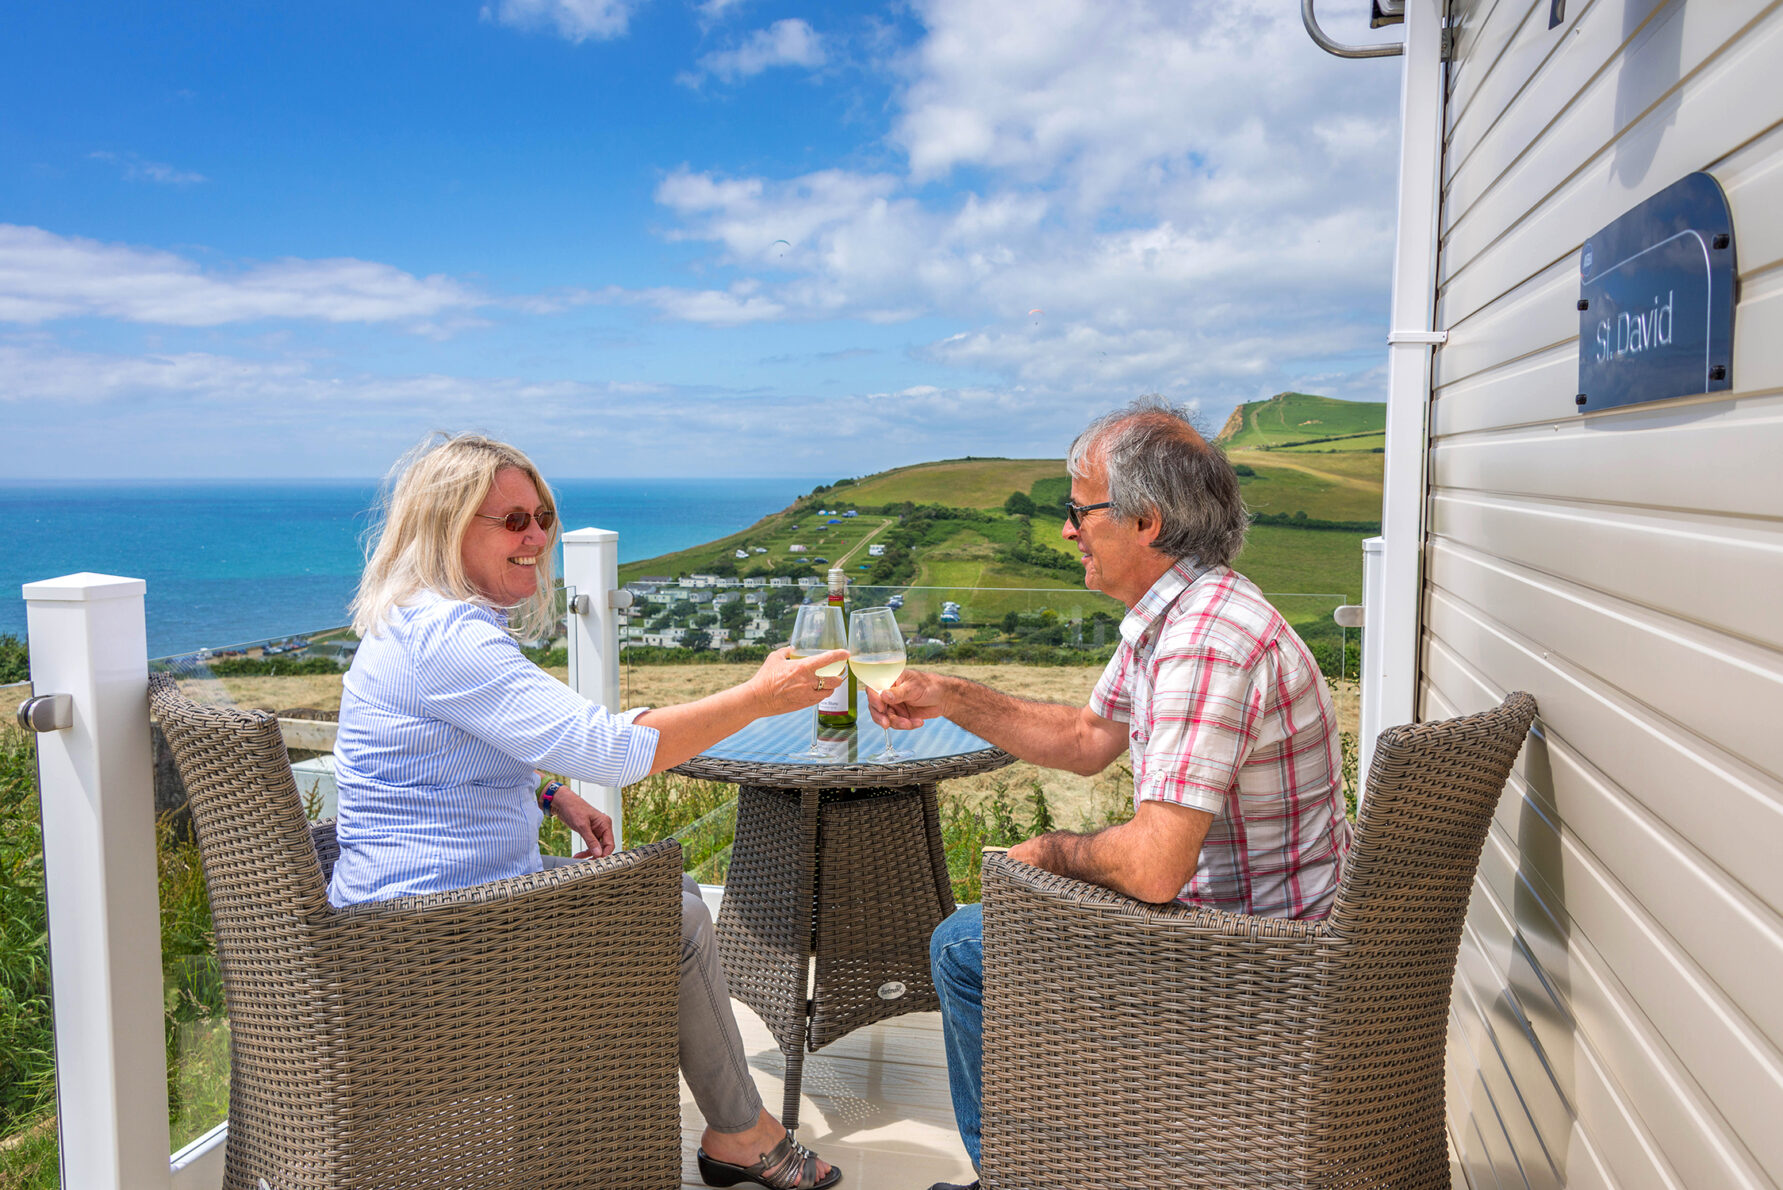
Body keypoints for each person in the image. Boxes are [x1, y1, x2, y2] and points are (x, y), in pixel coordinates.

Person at [327, 433, 844, 1190]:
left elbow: (439, 755)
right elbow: (609, 750)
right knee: (677, 915)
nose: (536, 537)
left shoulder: (417, 619)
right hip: (427, 935)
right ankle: (737, 1133)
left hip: (405, 903)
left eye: (540, 516)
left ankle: (710, 1126)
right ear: (445, 526)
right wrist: (757, 699)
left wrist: (546, 792)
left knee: (671, 903)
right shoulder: (449, 638)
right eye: (509, 522)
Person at [868, 397, 1354, 1190]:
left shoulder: (1204, 642)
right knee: (998, 924)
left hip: (1252, 963)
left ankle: (1018, 1176)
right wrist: (948, 693)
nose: (1065, 530)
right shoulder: (1184, 611)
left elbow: (1156, 868)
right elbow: (1086, 740)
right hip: (1265, 931)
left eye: (1077, 508)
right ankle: (1080, 1149)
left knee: (961, 948)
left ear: (1145, 522)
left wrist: (1044, 854)